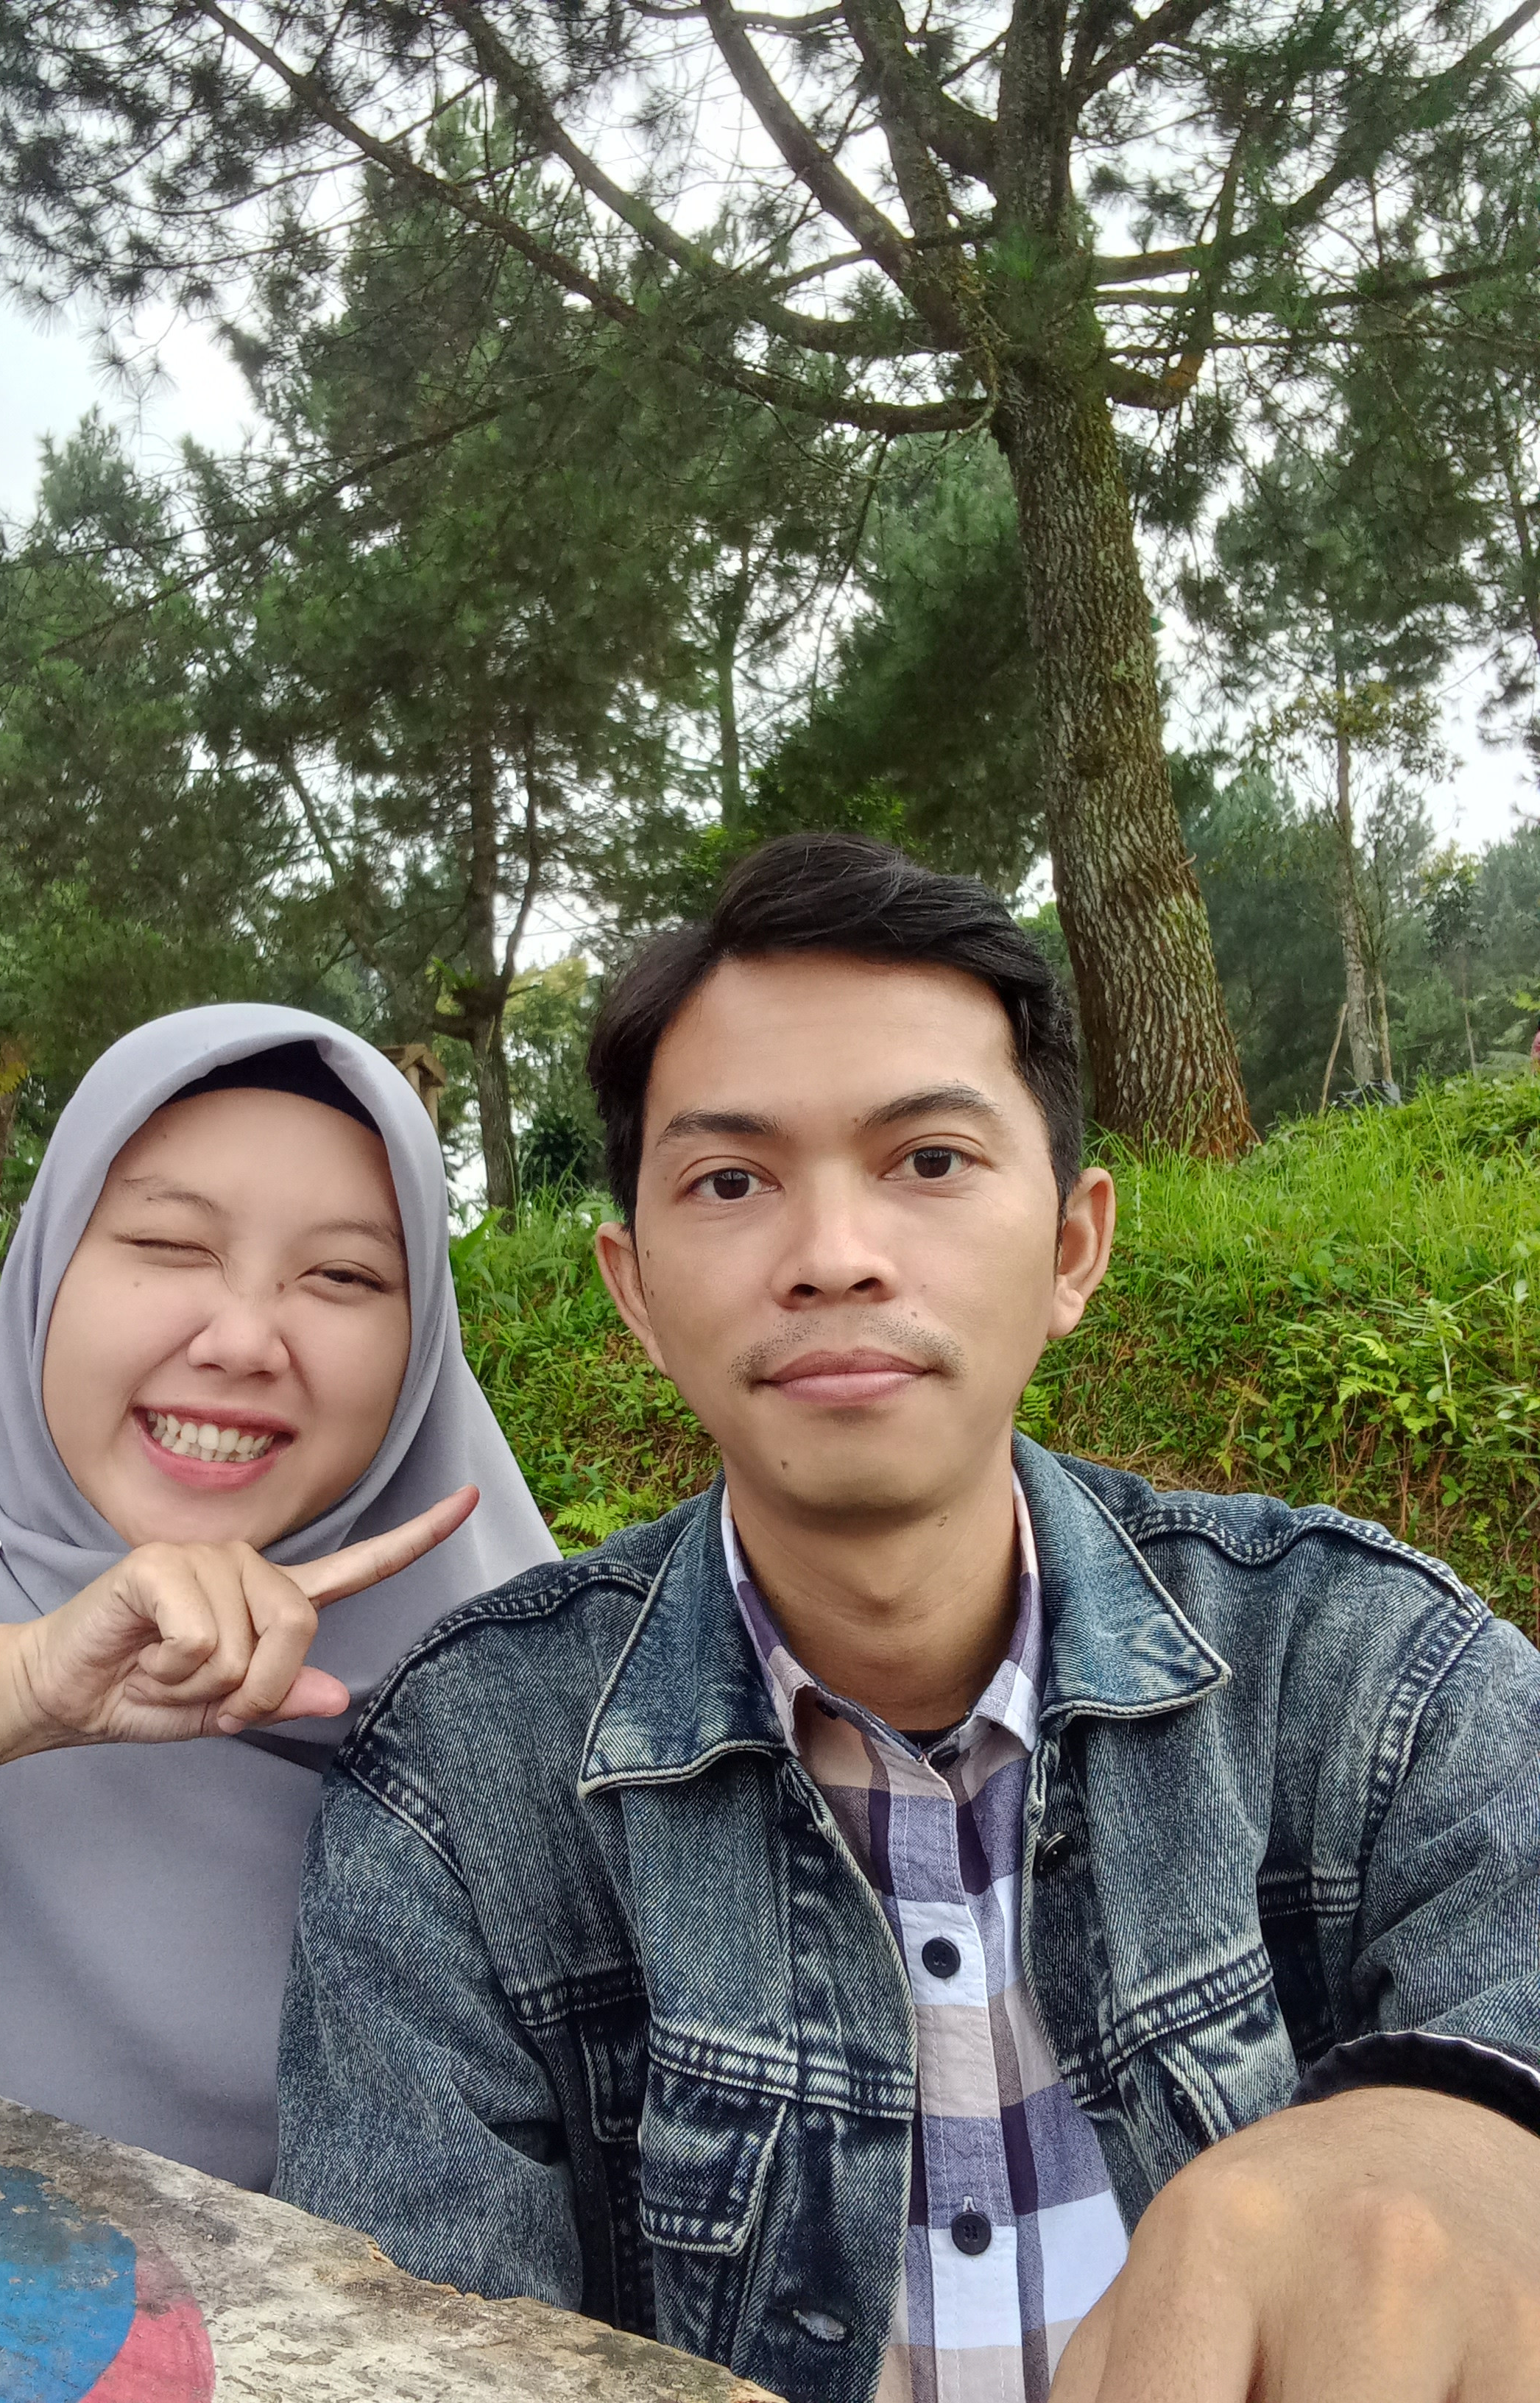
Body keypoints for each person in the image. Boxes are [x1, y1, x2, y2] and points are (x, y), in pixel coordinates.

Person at [277, 839, 1540, 2403]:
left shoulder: (1369, 1670)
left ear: (1074, 1246)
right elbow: (414, 2353)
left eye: (929, 1161)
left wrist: (1461, 2126)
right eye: (730, 1183)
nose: (833, 1258)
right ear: (636, 1292)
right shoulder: (460, 1783)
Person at [0, 1005, 555, 2189]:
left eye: (342, 1274)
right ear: (46, 1273)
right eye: (171, 1246)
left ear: (422, 1344)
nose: (244, 1339)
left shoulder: (539, 1694)